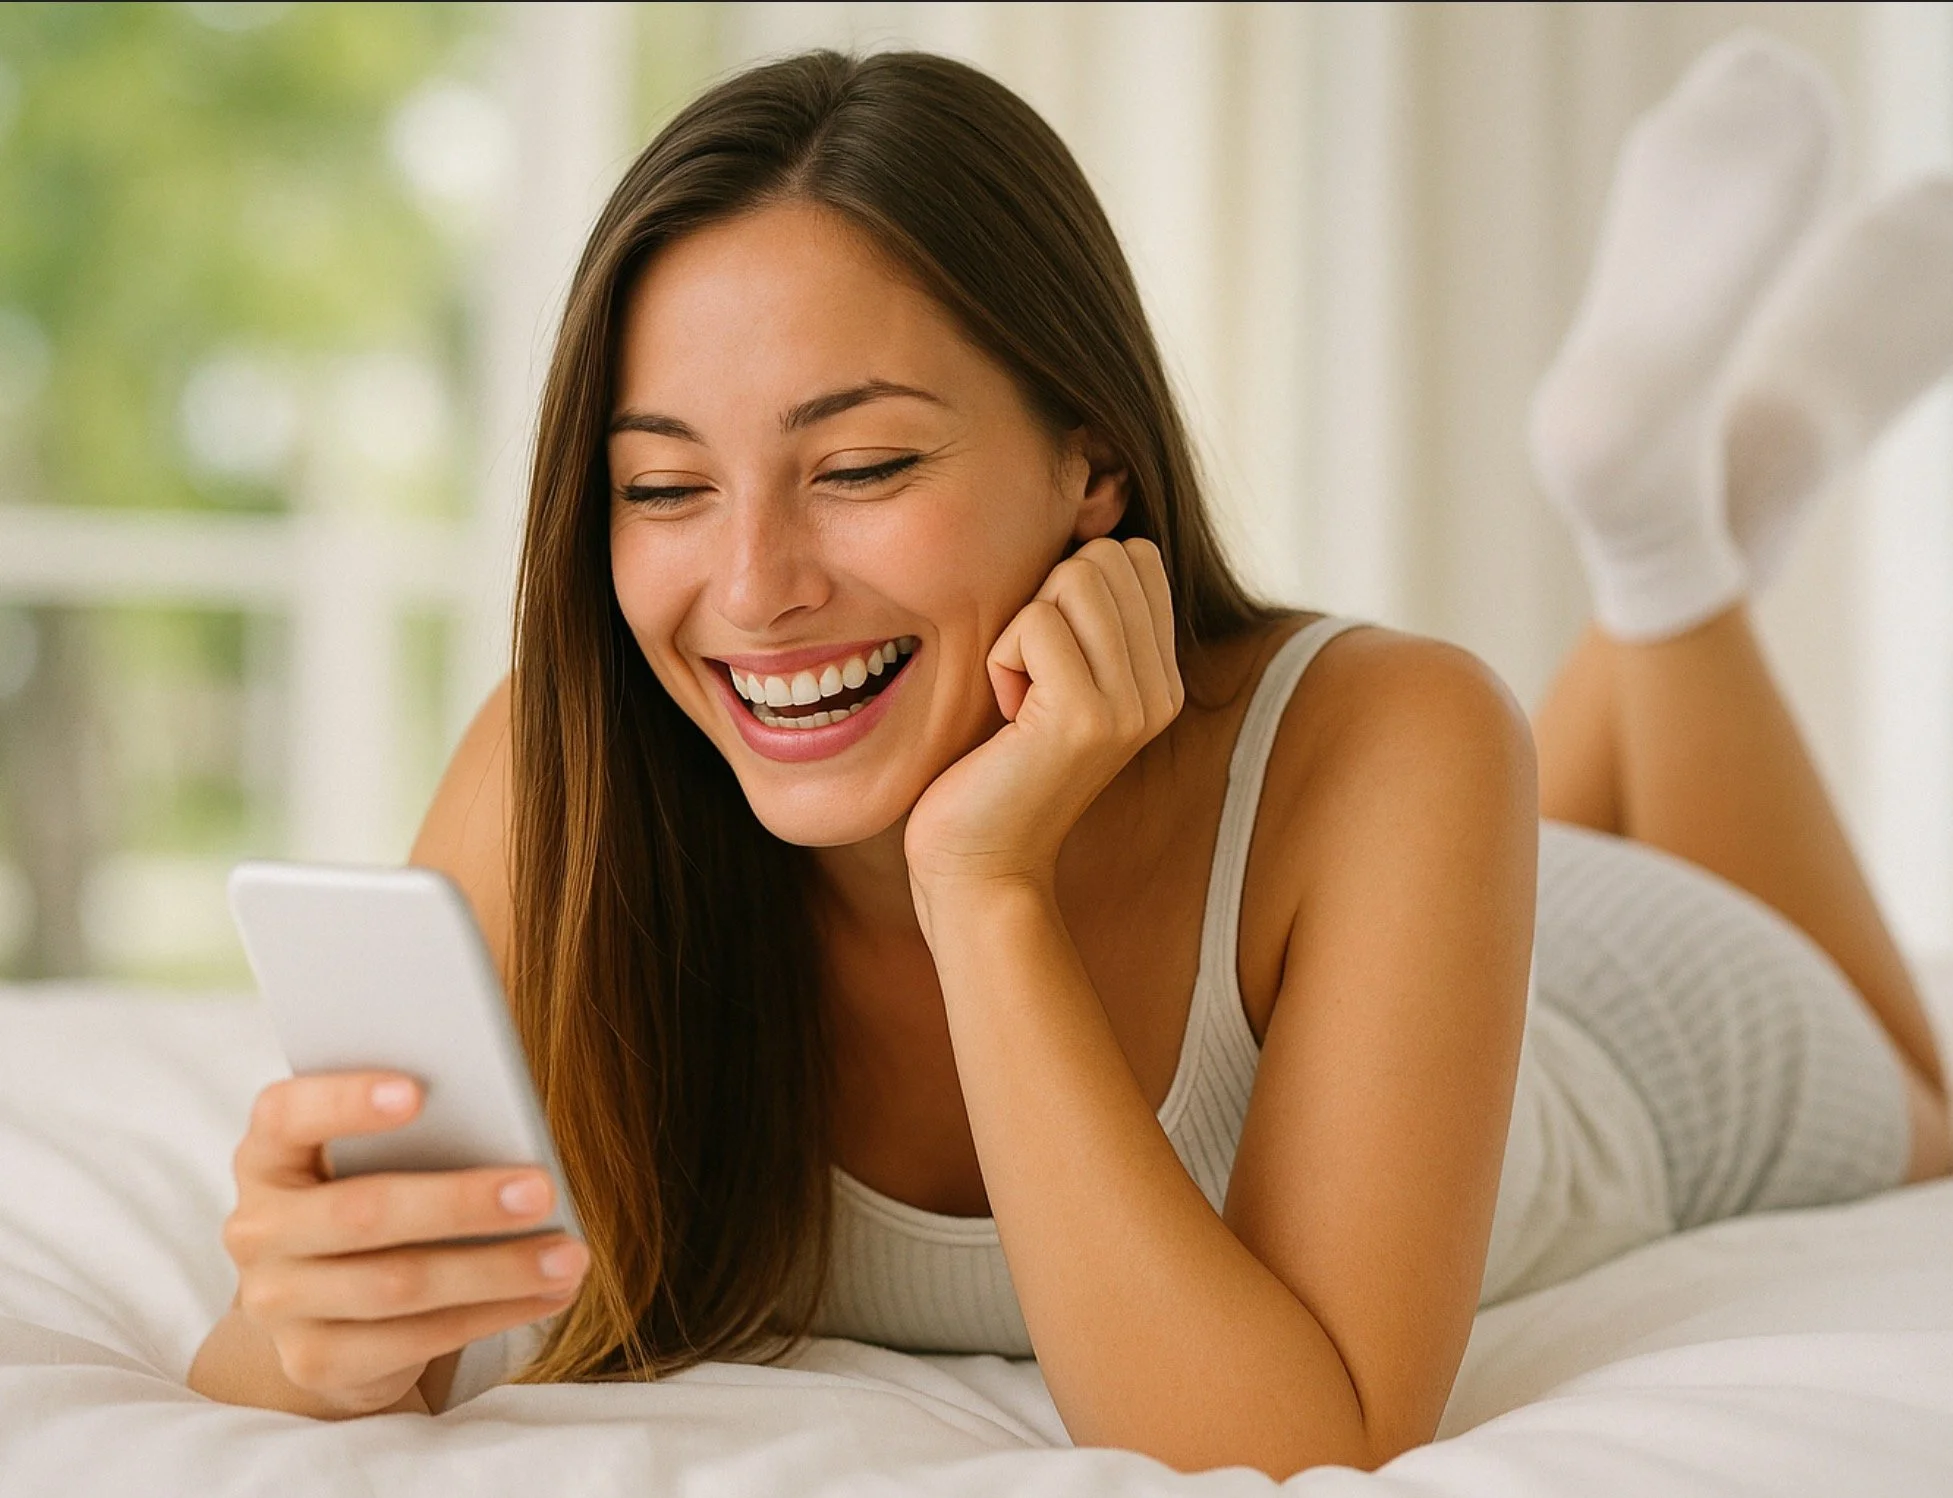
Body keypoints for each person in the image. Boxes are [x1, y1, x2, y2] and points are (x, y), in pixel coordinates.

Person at [187, 41, 1952, 1479]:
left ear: (1091, 465)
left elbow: (1295, 1445)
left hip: (1627, 1022)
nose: (755, 586)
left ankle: (1654, 535)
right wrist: (304, 1323)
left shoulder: (1398, 730)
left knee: (1932, 1115)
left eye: (862, 466)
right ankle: (1674, 498)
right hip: (1398, 925)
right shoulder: (563, 773)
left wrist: (985, 881)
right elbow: (271, 1362)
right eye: (663, 486)